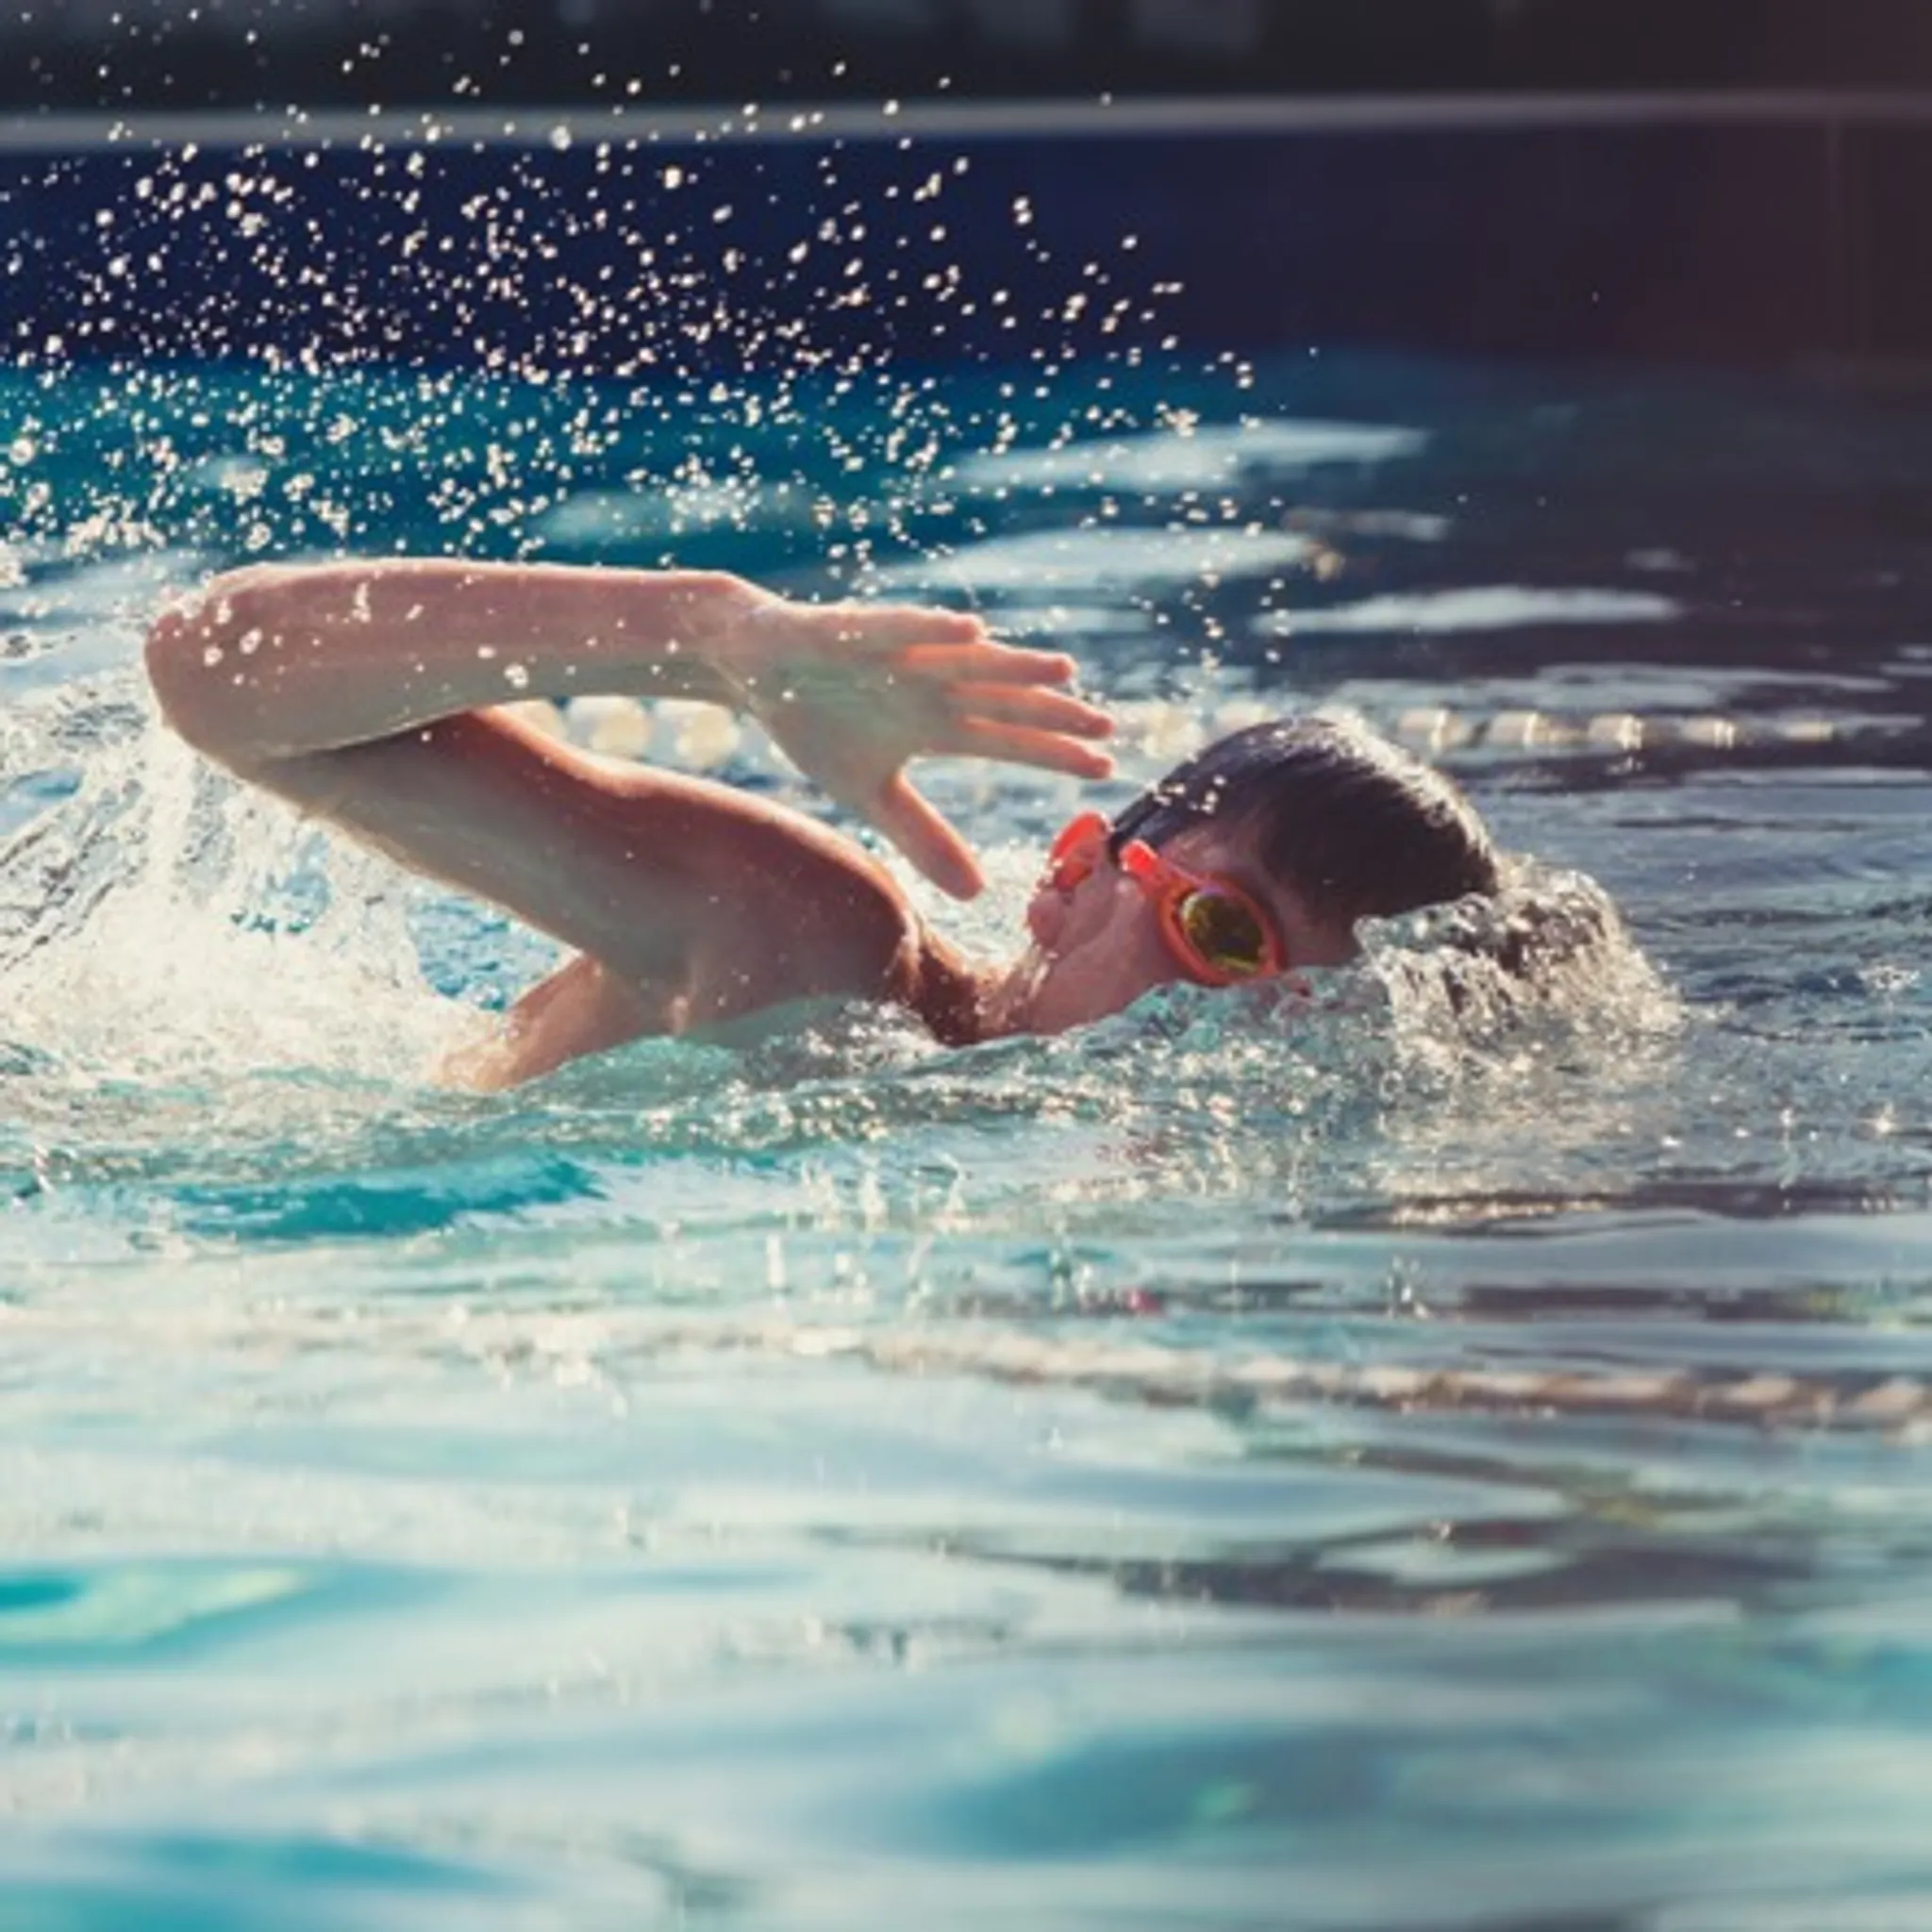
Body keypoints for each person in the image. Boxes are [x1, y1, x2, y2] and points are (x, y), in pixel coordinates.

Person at [143, 559, 1501, 1088]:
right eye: (1222, 932)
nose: (1230, 1035)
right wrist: (709, 639)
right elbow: (213, 674)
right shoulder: (816, 944)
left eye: (1307, 1014)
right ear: (1072, 874)